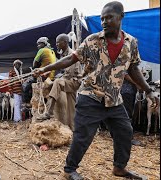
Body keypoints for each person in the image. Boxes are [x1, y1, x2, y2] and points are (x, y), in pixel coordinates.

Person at [34, 1, 159, 179]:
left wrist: (148, 90)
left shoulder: (131, 43)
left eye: (109, 17)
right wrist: (45, 69)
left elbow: (133, 69)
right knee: (83, 135)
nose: (104, 22)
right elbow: (71, 59)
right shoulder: (92, 41)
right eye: (102, 19)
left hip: (114, 100)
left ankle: (119, 168)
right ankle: (69, 170)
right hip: (91, 95)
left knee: (125, 132)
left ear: (120, 16)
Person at [37, 34, 82, 130]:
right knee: (72, 109)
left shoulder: (71, 54)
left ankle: (49, 112)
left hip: (74, 81)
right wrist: (46, 72)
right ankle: (73, 130)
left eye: (58, 42)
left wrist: (54, 80)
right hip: (70, 81)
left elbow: (68, 73)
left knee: (57, 82)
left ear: (65, 42)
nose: (56, 44)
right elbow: (61, 69)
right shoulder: (63, 54)